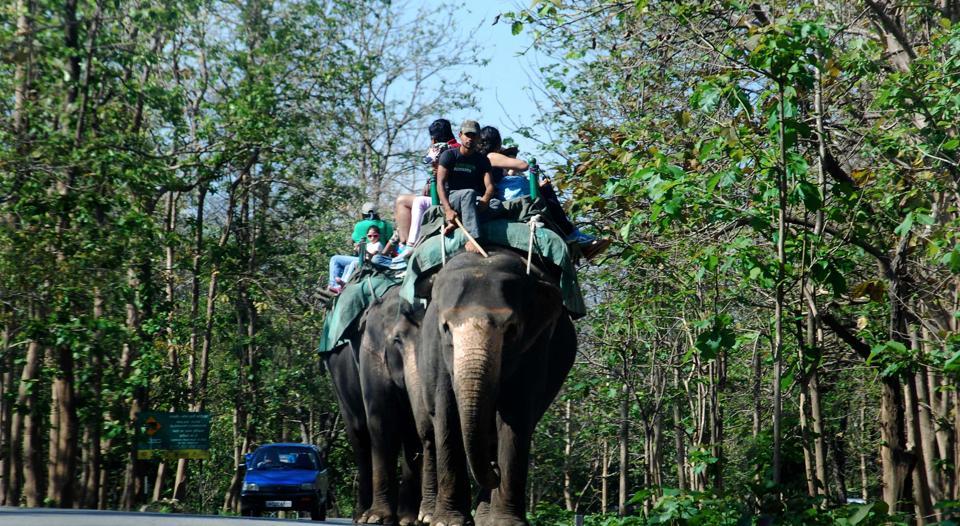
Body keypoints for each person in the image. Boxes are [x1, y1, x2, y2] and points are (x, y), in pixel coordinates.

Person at [478, 125, 611, 260]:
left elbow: (500, 179)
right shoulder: (491, 156)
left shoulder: (479, 159)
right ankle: (572, 234)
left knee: (543, 189)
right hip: (510, 198)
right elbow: (523, 165)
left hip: (501, 195)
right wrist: (509, 159)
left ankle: (573, 239)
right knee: (547, 192)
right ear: (497, 143)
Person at [393, 119, 460, 252]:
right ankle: (403, 246)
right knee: (403, 201)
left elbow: (441, 179)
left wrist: (431, 181)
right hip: (448, 196)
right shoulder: (459, 148)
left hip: (446, 199)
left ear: (433, 139)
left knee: (416, 201)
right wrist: (430, 181)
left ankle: (409, 246)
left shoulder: (441, 150)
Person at [436, 120, 502, 252]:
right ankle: (473, 238)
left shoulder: (482, 160)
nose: (470, 138)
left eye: (474, 135)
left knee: (496, 204)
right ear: (460, 135)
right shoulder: (449, 155)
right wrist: (448, 209)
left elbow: (490, 186)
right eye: (467, 135)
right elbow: (440, 183)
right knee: (469, 193)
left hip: (472, 201)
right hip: (453, 198)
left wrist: (485, 200)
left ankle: (459, 221)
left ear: (478, 138)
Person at [327, 202, 394, 293]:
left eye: (375, 236)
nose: (372, 237)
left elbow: (354, 240)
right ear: (377, 213)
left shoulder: (359, 225)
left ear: (363, 214)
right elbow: (392, 242)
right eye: (370, 236)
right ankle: (340, 282)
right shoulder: (386, 225)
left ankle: (334, 285)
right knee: (348, 267)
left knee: (335, 259)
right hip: (384, 259)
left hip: (367, 260)